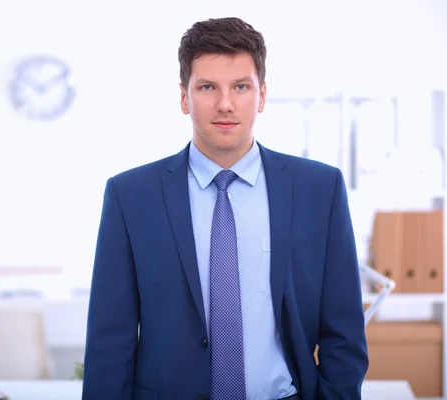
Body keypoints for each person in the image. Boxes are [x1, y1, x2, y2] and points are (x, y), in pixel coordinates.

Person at [82, 16, 368, 400]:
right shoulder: (131, 195)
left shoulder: (320, 189)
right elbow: (109, 341)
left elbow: (344, 332)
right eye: (207, 87)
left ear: (262, 96)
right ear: (184, 97)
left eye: (241, 87)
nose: (225, 104)